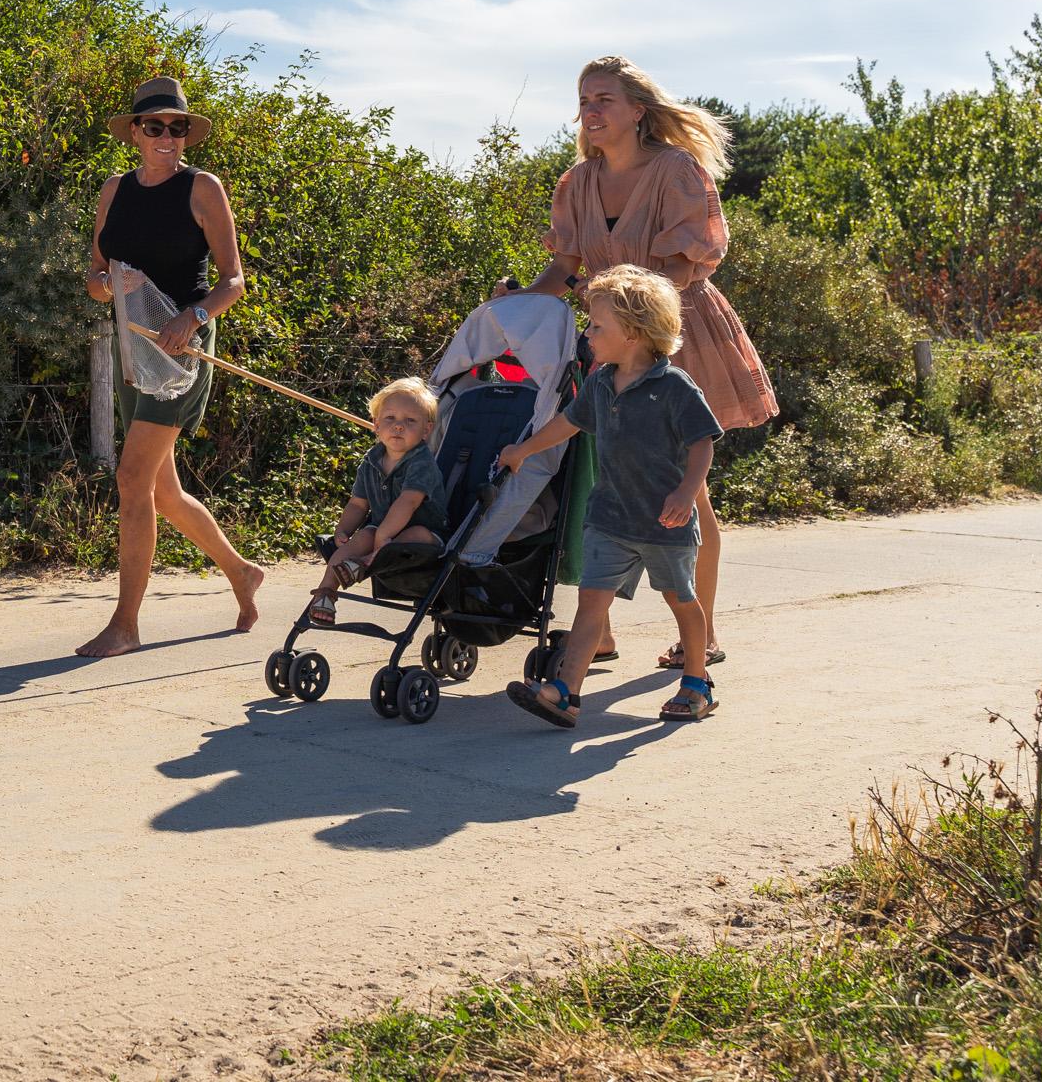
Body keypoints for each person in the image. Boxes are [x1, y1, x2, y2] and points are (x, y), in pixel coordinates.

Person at [499, 55, 776, 669]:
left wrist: (636, 309)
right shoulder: (577, 182)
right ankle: (597, 632)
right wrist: (519, 302)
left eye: (603, 100)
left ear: (637, 111)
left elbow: (687, 262)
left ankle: (698, 636)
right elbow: (564, 267)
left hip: (676, 332)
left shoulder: (677, 170)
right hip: (610, 341)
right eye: (584, 100)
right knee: (602, 479)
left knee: (685, 485)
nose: (590, 111)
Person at [77, 76, 264, 658]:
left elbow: (234, 281)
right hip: (132, 351)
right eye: (154, 126)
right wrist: (110, 285)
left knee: (132, 480)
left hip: (182, 354)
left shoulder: (202, 188)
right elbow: (95, 279)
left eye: (177, 127)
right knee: (161, 491)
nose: (166, 136)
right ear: (135, 132)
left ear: (187, 134)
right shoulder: (114, 190)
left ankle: (126, 625)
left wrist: (193, 317)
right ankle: (241, 572)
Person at [497, 266, 724, 727]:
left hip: (664, 522)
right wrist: (523, 449)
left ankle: (696, 682)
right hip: (610, 518)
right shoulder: (601, 382)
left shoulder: (675, 387)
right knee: (590, 602)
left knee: (682, 600)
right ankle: (565, 691)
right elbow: (568, 422)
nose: (588, 333)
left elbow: (703, 442)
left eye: (598, 326)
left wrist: (685, 491)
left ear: (636, 334)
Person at [303, 377, 448, 626]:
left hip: (426, 535)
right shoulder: (371, 461)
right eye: (390, 419)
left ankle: (366, 563)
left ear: (426, 430)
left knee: (418, 532)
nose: (399, 426)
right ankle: (326, 592)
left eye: (410, 421)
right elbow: (358, 504)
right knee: (357, 540)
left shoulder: (422, 462)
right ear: (376, 424)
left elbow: (409, 501)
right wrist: (344, 529)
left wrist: (384, 536)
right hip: (381, 529)